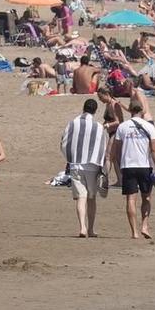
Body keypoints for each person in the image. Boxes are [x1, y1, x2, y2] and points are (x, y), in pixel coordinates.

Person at [109, 100, 155, 240]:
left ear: (130, 110)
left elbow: (116, 149)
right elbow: (154, 149)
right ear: (141, 110)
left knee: (131, 199)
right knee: (147, 197)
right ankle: (145, 225)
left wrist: (116, 164)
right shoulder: (149, 126)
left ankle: (134, 232)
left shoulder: (123, 127)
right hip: (144, 166)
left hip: (128, 166)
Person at [60, 97, 109, 237]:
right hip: (92, 165)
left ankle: (82, 227)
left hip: (76, 164)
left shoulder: (72, 123)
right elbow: (102, 147)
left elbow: (64, 142)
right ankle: (91, 229)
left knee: (81, 197)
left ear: (84, 108)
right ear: (95, 111)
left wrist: (70, 158)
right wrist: (102, 166)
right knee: (91, 198)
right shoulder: (98, 127)